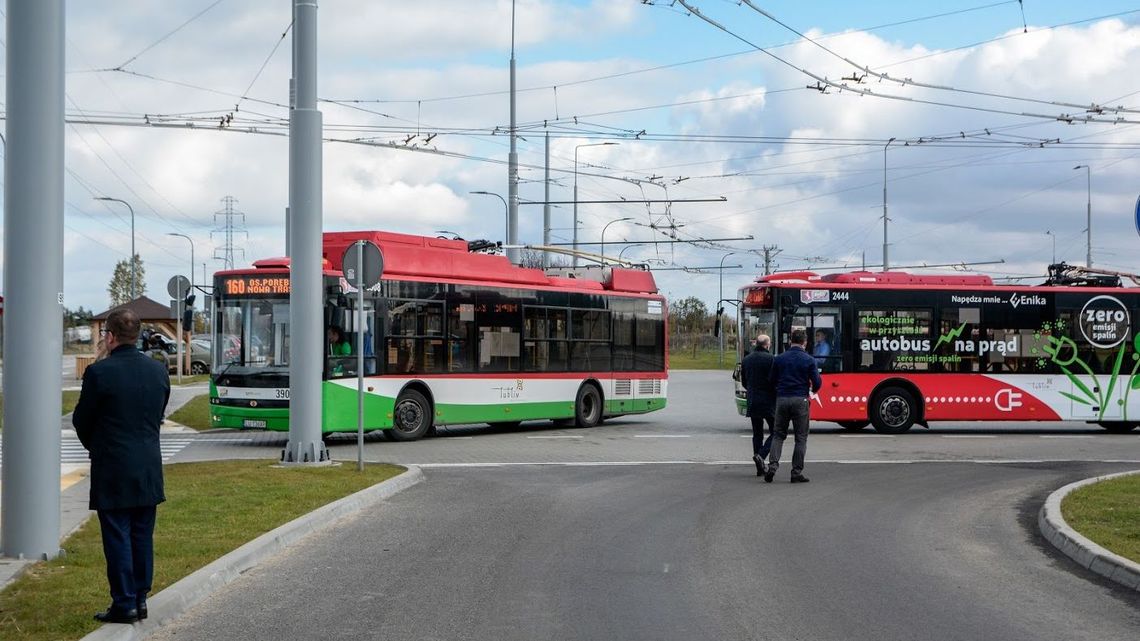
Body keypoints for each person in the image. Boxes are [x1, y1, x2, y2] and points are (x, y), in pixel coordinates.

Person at [73, 309, 170, 624]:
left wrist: (98, 446)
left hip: (113, 467)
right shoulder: (158, 371)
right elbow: (158, 414)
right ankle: (141, 599)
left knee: (117, 535)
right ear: (137, 335)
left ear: (110, 336)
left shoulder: (99, 373)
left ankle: (124, 602)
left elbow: (82, 420)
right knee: (142, 535)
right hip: (148, 466)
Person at [766, 329, 822, 483]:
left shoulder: (779, 359)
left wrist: (779, 390)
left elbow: (771, 380)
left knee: (778, 435)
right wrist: (811, 390)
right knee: (801, 438)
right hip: (800, 400)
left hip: (782, 399)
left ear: (791, 341)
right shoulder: (809, 360)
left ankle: (772, 466)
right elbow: (817, 382)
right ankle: (796, 472)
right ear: (805, 342)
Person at [740, 334, 776, 477]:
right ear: (767, 345)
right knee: (776, 431)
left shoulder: (746, 359)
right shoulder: (771, 359)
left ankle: (759, 468)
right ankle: (761, 455)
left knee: (757, 434)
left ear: (756, 344)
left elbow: (744, 381)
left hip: (753, 400)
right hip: (768, 401)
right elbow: (774, 380)